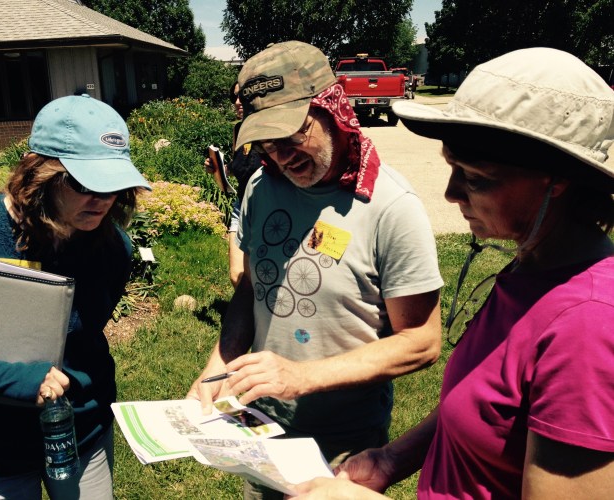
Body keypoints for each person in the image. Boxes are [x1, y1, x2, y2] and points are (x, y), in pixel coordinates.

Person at [293, 47, 614, 499]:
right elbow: (482, 406)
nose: (450, 193)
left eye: (476, 178)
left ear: (556, 180)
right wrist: (393, 458)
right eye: (451, 168)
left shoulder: (588, 325)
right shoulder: (533, 268)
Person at [187, 40, 444, 499]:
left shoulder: (391, 207)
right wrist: (218, 367)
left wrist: (302, 376)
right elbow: (251, 287)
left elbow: (422, 343)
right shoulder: (261, 188)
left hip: (344, 448)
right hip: (259, 428)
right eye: (267, 141)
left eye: (293, 134)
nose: (282, 156)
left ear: (334, 109)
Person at [0, 94, 151, 499]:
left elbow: (87, 336)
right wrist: (19, 380)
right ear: (35, 171)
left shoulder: (114, 248)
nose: (103, 199)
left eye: (113, 184)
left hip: (82, 436)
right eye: (82, 183)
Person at [205, 81, 263, 288]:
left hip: (265, 206)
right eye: (234, 97)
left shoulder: (269, 131)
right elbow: (239, 164)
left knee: (257, 277)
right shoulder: (239, 130)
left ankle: (259, 318)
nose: (237, 102)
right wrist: (220, 168)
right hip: (241, 205)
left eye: (243, 97)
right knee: (236, 275)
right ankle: (251, 317)